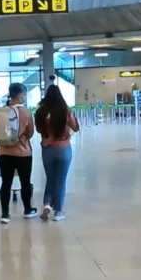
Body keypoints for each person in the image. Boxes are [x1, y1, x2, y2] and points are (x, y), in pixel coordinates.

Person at [35, 85, 79, 221]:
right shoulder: (65, 111)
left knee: (50, 178)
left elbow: (38, 129)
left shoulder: (41, 112)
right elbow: (76, 127)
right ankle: (58, 211)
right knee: (61, 180)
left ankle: (47, 204)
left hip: (47, 149)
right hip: (63, 148)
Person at [0, 83, 36, 223]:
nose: (25, 97)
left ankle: (5, 214)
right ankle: (28, 209)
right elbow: (30, 133)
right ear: (20, 95)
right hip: (22, 153)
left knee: (6, 183)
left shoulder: (1, 111)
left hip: (3, 152)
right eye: (24, 94)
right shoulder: (25, 112)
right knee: (25, 182)